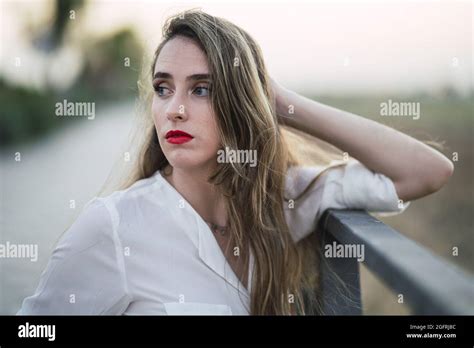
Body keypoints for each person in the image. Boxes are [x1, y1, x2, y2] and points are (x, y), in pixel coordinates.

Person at [17, 10, 453, 315]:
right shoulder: (112, 228)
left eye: (202, 89)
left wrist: (282, 104)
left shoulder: (282, 201)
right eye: (164, 88)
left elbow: (427, 171)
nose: (175, 109)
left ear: (241, 102)